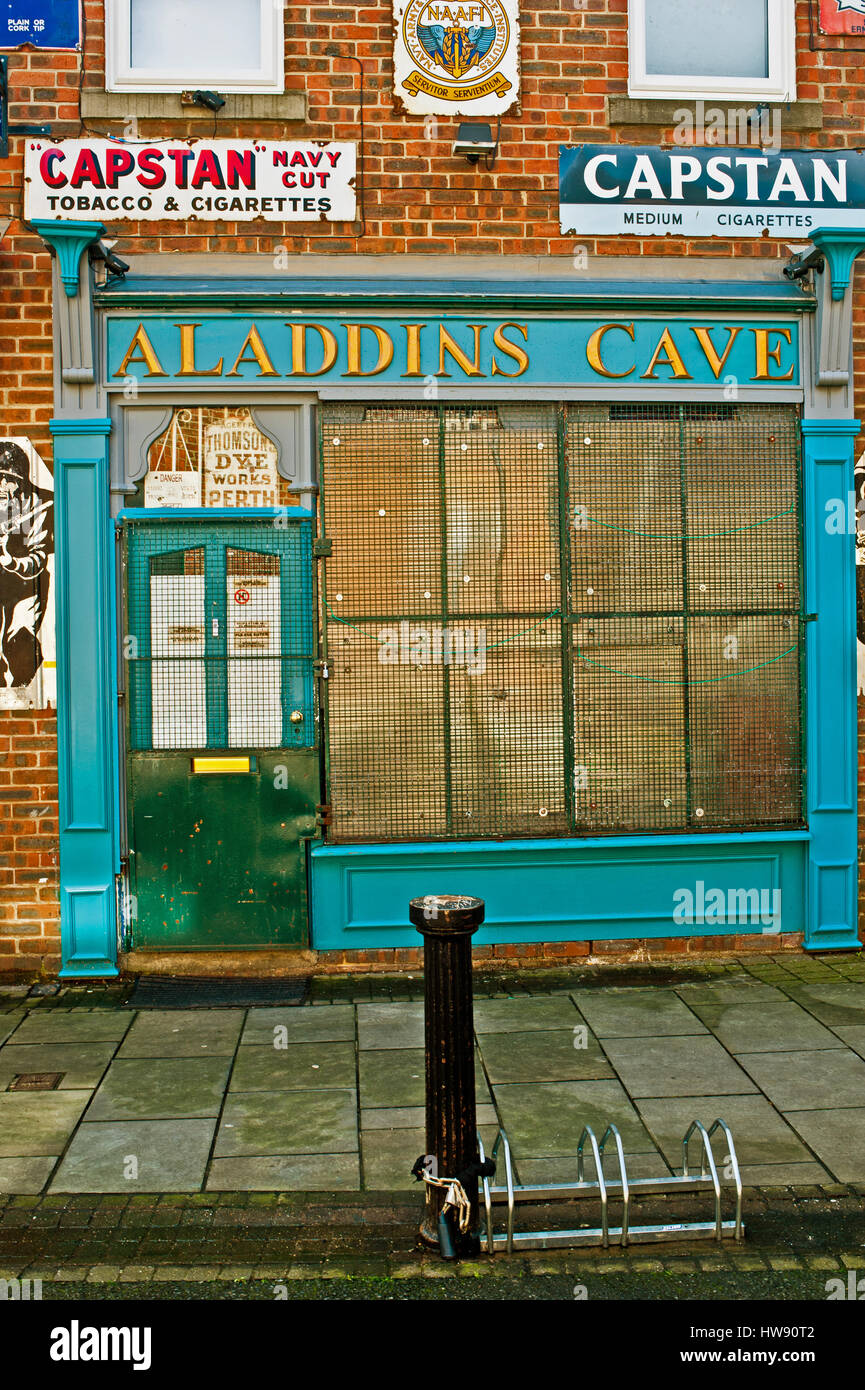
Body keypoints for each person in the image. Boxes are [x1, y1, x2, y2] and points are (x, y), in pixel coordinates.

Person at [0, 441, 53, 690]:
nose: (1, 486)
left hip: (27, 584)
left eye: (6, 478)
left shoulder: (40, 504)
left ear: (19, 478)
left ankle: (22, 689)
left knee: (19, 639)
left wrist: (8, 558)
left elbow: (38, 560)